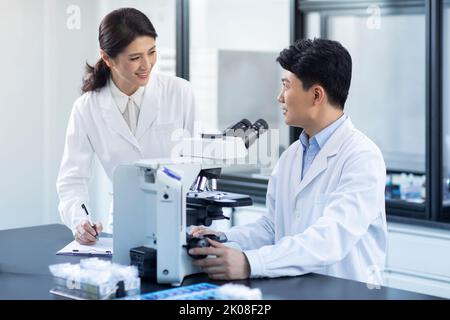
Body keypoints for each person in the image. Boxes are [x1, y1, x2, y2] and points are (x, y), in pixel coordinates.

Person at [189, 38, 387, 284]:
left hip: (345, 291)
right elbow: (273, 227)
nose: (280, 97)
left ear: (316, 95)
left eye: (286, 86)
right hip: (298, 288)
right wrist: (223, 239)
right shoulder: (292, 155)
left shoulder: (362, 157)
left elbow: (329, 240)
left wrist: (251, 263)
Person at [57, 8, 198, 245]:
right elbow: (72, 179)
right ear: (107, 58)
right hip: (123, 227)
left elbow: (200, 162)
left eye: (151, 52)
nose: (147, 65)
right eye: (135, 58)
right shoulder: (86, 108)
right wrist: (80, 221)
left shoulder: (180, 92)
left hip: (182, 224)